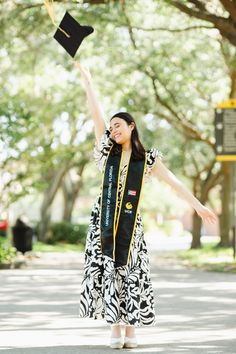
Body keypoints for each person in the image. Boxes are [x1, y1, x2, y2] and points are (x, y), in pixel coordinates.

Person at [76, 62, 217, 349]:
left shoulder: (147, 160)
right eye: (111, 127)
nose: (113, 130)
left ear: (132, 126)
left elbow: (174, 183)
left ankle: (130, 329)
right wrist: (89, 82)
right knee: (109, 272)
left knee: (131, 272)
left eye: (119, 125)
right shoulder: (106, 151)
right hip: (102, 222)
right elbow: (96, 115)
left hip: (130, 225)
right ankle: (115, 328)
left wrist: (198, 205)